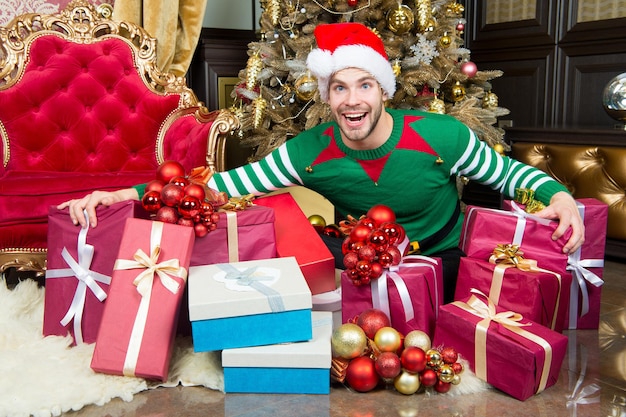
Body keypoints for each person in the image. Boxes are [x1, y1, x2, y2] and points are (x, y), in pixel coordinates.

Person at [59, 22, 584, 302]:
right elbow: (221, 185)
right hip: (358, 256)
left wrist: (561, 199)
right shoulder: (310, 150)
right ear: (327, 96)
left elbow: (511, 174)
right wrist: (122, 195)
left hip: (440, 256)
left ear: (382, 90)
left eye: (363, 86)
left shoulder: (440, 134)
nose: (352, 100)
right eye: (339, 87)